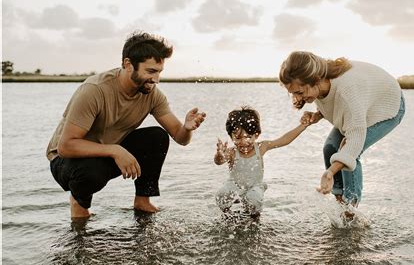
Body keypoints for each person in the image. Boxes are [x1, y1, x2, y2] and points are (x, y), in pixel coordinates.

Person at [46, 31, 206, 219]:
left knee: (157, 137)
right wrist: (115, 150)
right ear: (128, 64)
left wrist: (187, 128)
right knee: (90, 172)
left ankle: (142, 201)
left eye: (159, 72)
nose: (156, 79)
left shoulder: (152, 94)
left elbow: (180, 137)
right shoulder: (94, 91)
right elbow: (66, 147)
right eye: (151, 71)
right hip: (67, 161)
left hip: (107, 153)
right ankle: (79, 203)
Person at [279, 51, 405, 217]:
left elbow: (354, 141)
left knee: (348, 150)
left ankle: (350, 211)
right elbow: (332, 101)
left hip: (386, 107)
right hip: (361, 105)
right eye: (293, 93)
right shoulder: (318, 84)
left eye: (299, 92)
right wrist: (317, 115)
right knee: (330, 148)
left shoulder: (347, 91)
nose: (296, 97)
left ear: (315, 79)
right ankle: (339, 199)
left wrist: (330, 171)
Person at [214, 106, 321, 217]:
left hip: (254, 186)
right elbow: (219, 161)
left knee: (253, 200)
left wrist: (303, 126)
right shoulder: (232, 152)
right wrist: (219, 155)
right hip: (235, 185)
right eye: (238, 138)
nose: (244, 142)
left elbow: (284, 140)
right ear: (231, 137)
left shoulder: (261, 147)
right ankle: (228, 216)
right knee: (221, 195)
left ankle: (254, 219)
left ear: (256, 135)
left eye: (248, 137)